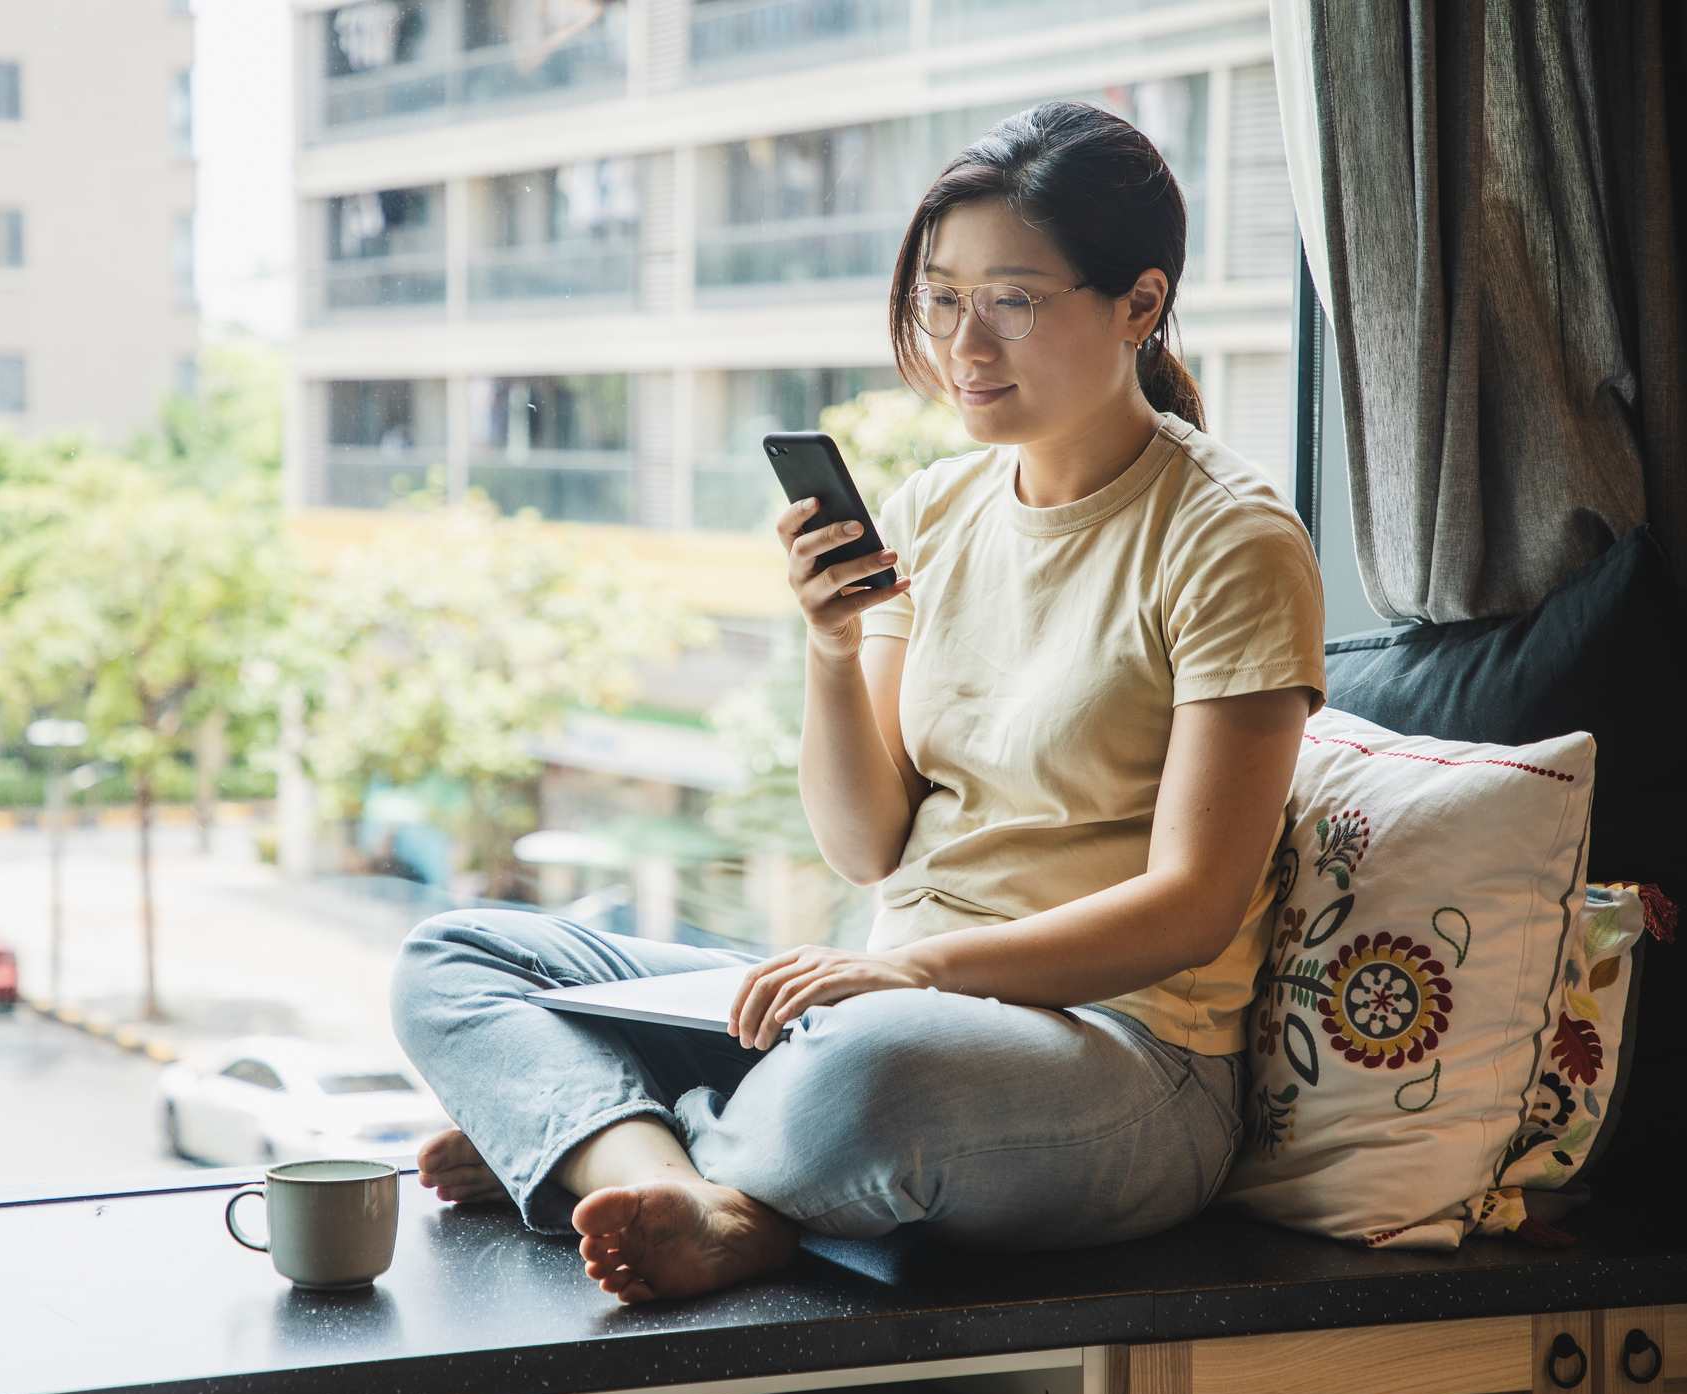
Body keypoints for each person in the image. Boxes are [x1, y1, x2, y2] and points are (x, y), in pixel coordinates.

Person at [390, 100, 1327, 1305]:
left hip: (1118, 1057)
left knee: (872, 1072)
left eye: (1016, 300)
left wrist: (918, 974)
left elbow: (1192, 907)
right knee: (457, 954)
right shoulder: (936, 506)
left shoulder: (1232, 540)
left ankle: (590, 1140)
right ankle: (688, 1182)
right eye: (943, 299)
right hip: (880, 993)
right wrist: (830, 652)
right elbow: (863, 841)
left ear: (1140, 304)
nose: (965, 347)